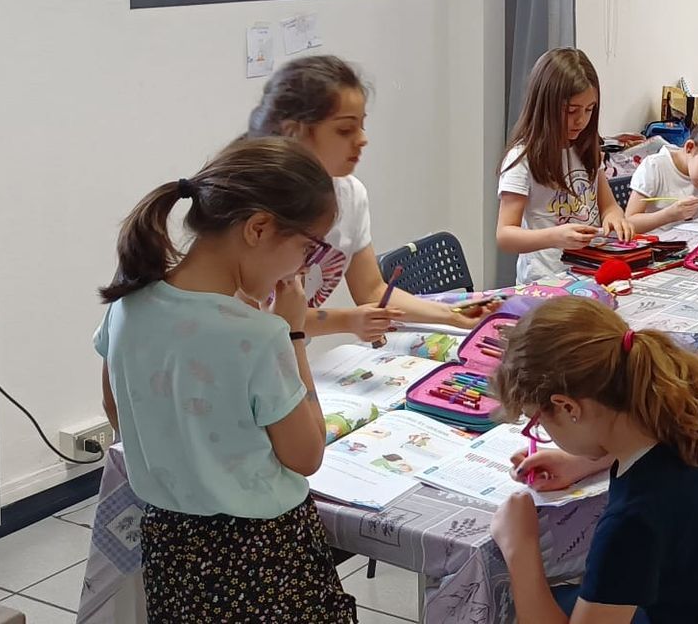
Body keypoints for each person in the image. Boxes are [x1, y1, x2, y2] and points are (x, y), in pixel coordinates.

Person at [95, 137, 354, 622]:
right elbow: (306, 455)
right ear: (258, 228)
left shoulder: (128, 306)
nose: (303, 268)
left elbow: (118, 412)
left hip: (171, 546)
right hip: (263, 558)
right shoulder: (259, 336)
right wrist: (293, 332)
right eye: (306, 248)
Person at [489, 297, 698, 624]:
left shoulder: (632, 521)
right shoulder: (697, 396)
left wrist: (520, 547)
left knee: (521, 603)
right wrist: (582, 462)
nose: (542, 432)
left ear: (568, 407)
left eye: (537, 422)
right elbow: (660, 444)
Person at [247, 55, 489, 338]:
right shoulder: (253, 207)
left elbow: (371, 289)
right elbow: (260, 320)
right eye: (345, 130)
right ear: (294, 132)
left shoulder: (350, 195)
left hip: (286, 347)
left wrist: (453, 315)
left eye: (362, 125)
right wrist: (348, 320)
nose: (362, 139)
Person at [499, 49, 634, 282]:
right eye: (571, 111)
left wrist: (615, 218)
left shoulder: (586, 149)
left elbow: (609, 206)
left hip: (588, 274)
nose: (581, 120)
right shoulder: (522, 159)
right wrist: (554, 237)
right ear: (546, 106)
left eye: (589, 109)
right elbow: (505, 236)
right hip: (545, 280)